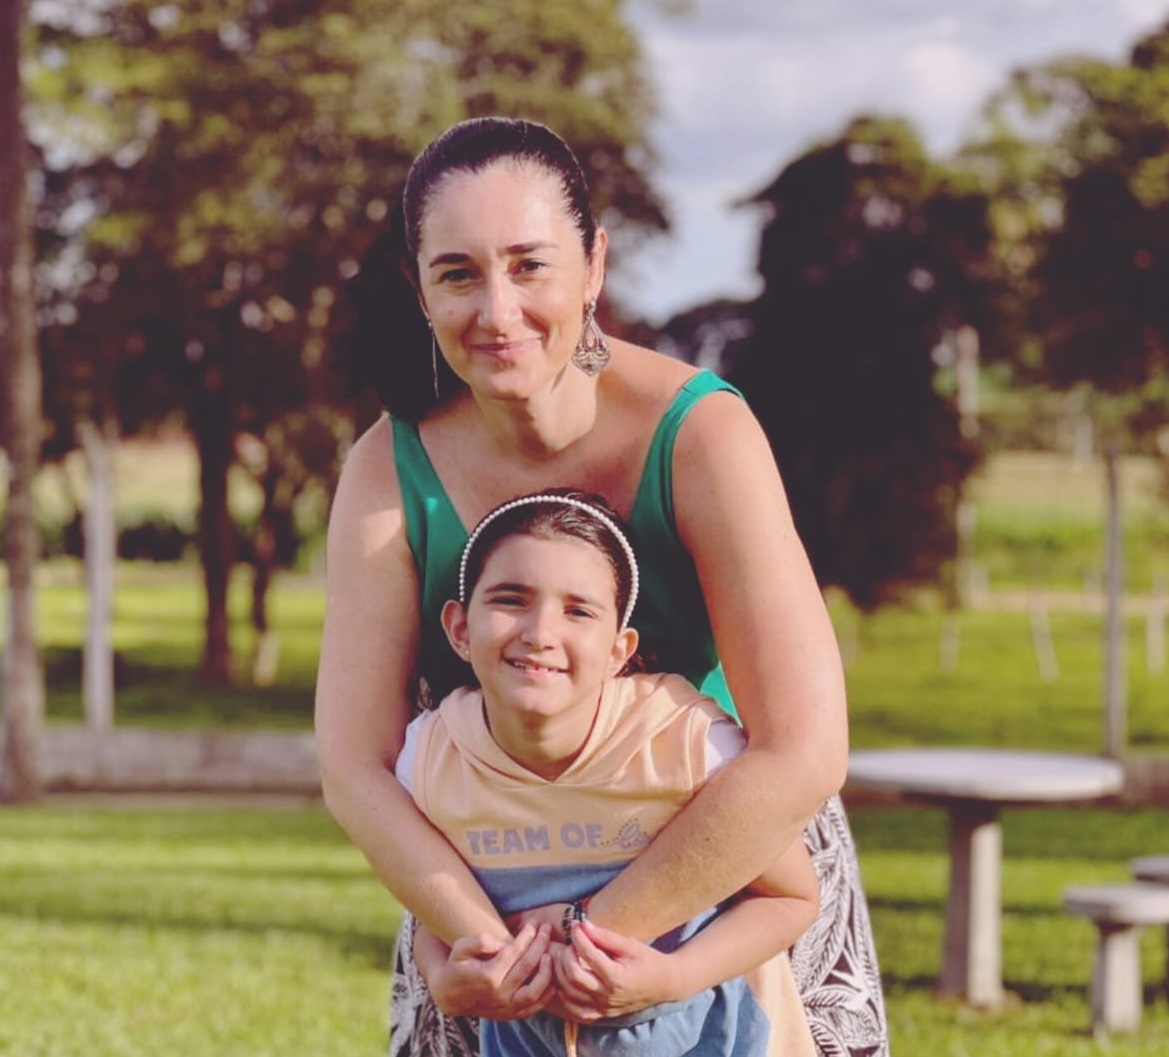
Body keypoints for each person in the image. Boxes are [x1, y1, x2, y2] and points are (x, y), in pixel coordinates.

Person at [313, 115, 888, 1057]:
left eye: (529, 265)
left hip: (730, 867)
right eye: (457, 273)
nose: (497, 311)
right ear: (419, 290)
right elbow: (356, 766)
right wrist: (490, 944)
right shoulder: (386, 469)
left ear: (594, 265)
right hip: (492, 886)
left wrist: (594, 943)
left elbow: (802, 751)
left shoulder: (702, 436)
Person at [397, 489, 820, 1057]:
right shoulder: (432, 758)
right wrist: (442, 978)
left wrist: (675, 977)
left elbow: (790, 898)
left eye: (578, 610)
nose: (540, 631)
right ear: (459, 629)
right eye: (510, 599)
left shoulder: (684, 742)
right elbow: (436, 913)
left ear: (620, 649)